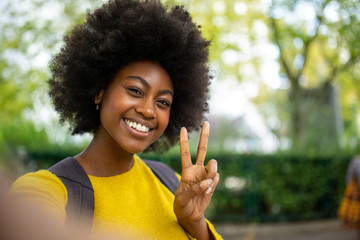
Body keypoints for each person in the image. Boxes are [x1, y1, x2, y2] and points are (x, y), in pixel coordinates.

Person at [8, 0, 222, 239]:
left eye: (162, 102)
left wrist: (195, 223)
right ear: (100, 91)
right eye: (135, 91)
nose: (149, 111)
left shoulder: (171, 181)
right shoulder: (45, 191)